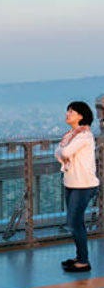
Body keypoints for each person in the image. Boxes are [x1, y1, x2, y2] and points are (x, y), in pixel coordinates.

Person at [55, 101, 99, 273]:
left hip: (84, 185)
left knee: (74, 223)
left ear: (81, 116)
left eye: (71, 111)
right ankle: (80, 256)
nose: (67, 114)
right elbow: (58, 151)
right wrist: (62, 151)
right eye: (67, 111)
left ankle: (83, 261)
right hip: (71, 183)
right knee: (76, 222)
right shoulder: (71, 135)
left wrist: (62, 151)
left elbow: (63, 152)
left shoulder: (84, 136)